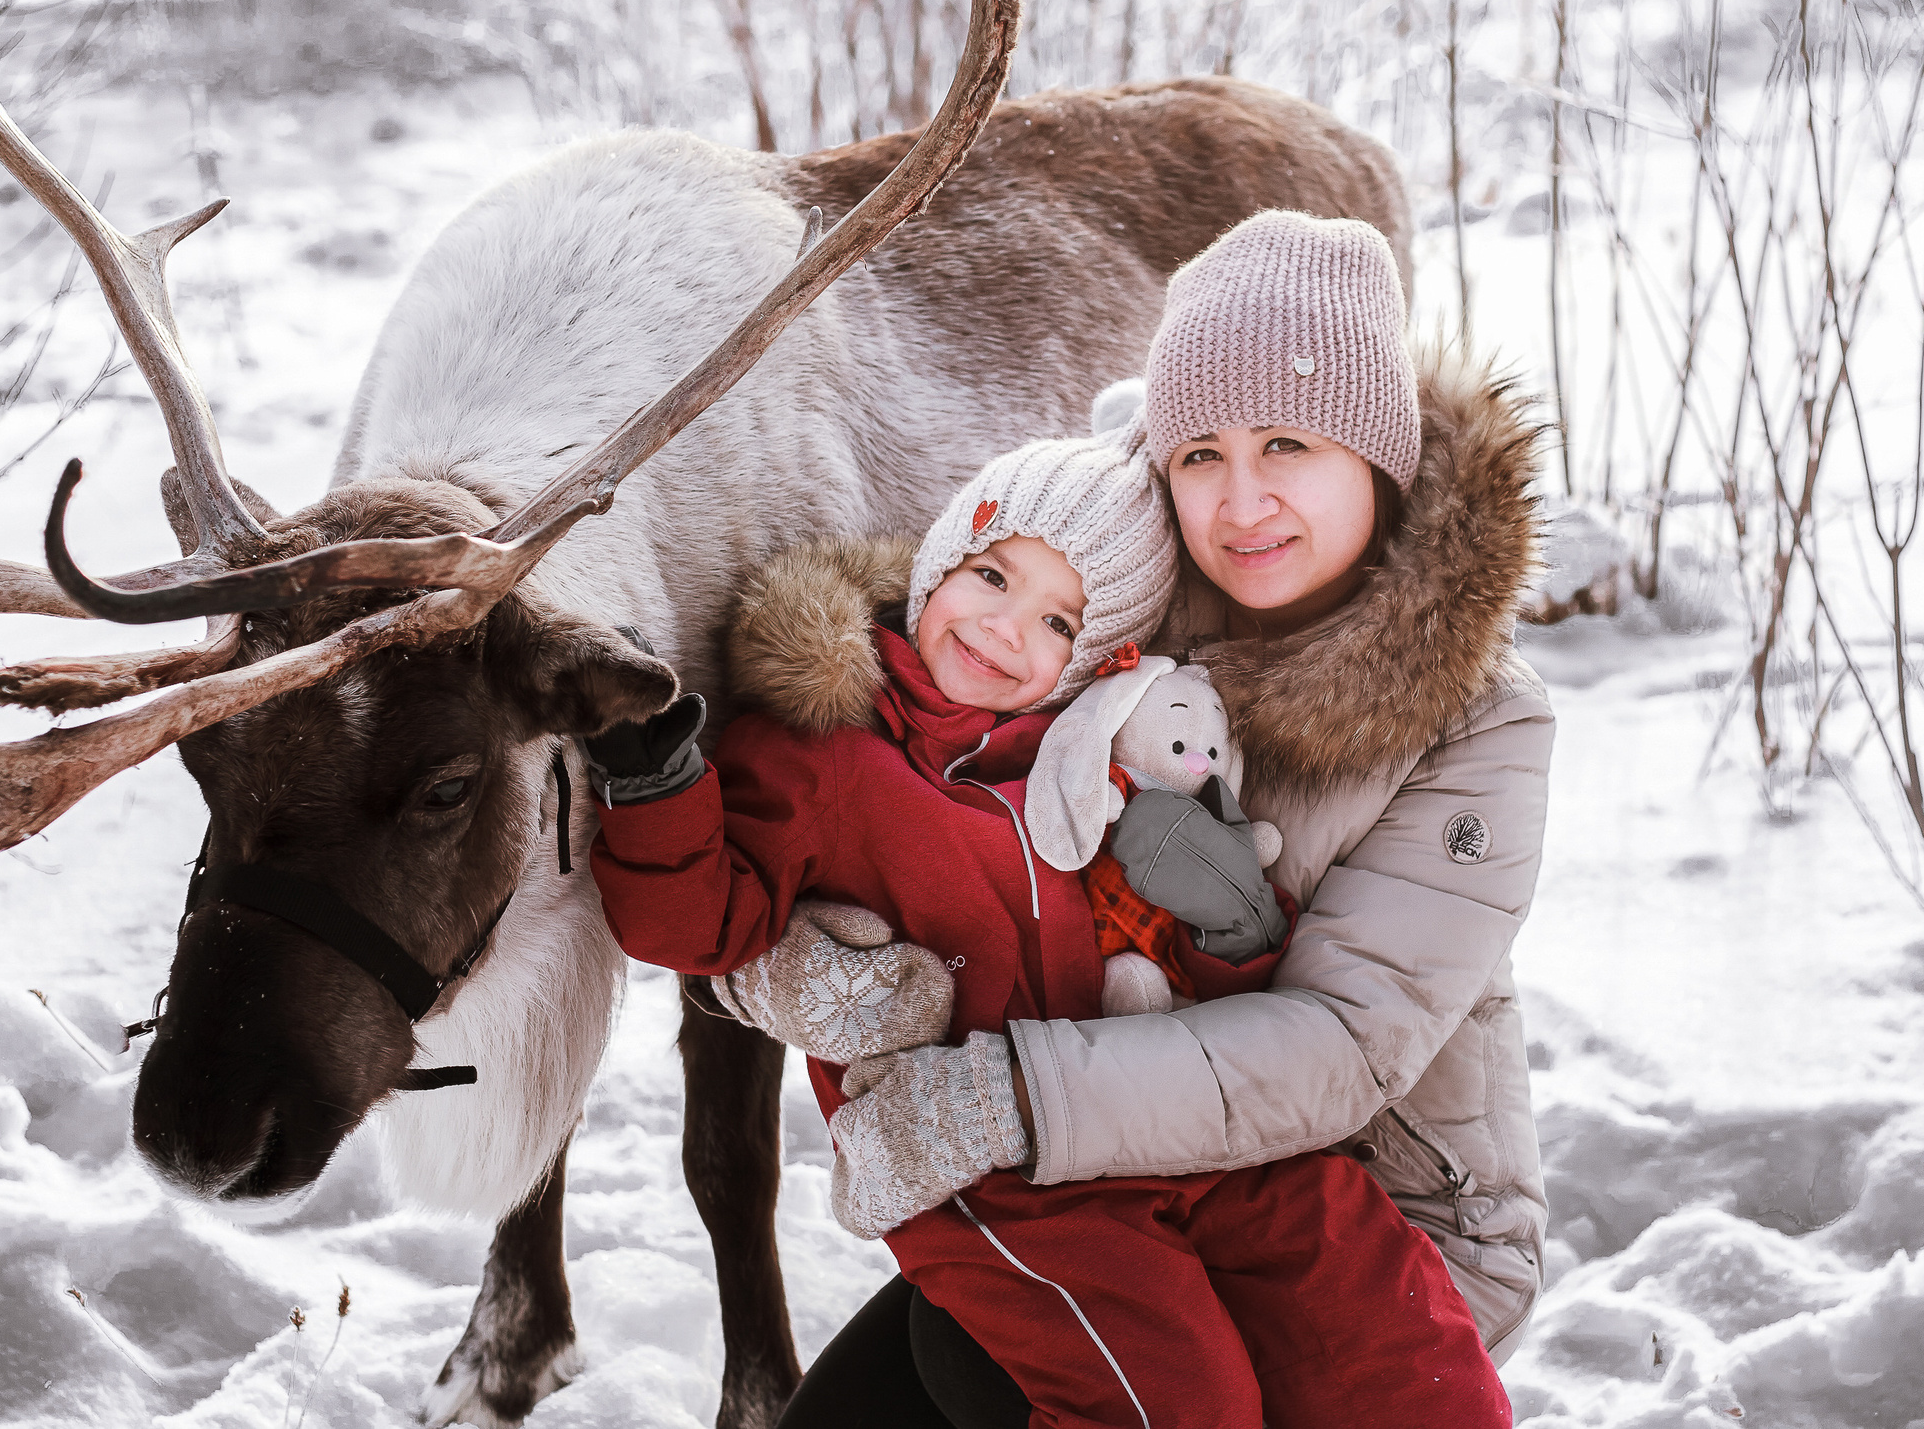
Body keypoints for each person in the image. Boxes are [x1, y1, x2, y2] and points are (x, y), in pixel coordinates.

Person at [716, 209, 1554, 1427]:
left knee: (1027, 1386)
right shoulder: (1110, 585)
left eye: (1288, 445)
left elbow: (1340, 1047)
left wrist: (1007, 1094)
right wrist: (781, 971)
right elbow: (895, 785)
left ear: (1380, 459)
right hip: (1106, 1179)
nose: (1242, 500)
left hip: (1368, 1214)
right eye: (1201, 451)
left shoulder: (1479, 721)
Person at [582, 427, 1510, 1429]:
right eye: (990, 575)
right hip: (1000, 1173)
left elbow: (1181, 977)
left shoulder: (1100, 763)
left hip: (1177, 1130)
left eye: (1059, 621)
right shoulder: (830, 755)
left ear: (1095, 660)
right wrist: (656, 785)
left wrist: (1229, 927)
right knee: (1176, 1400)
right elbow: (699, 926)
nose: (1005, 628)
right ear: (939, 559)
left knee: (1395, 1348)